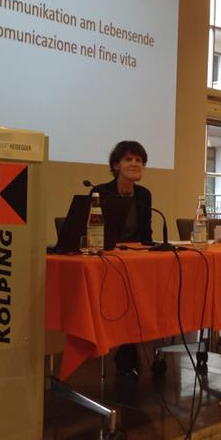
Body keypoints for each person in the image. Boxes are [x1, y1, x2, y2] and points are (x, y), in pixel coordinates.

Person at [94, 141, 153, 379]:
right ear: (116, 165)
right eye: (128, 159)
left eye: (139, 160)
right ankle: (127, 349)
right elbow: (93, 234)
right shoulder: (101, 192)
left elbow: (145, 234)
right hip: (107, 261)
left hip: (133, 261)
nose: (134, 164)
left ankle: (131, 346)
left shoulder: (144, 194)